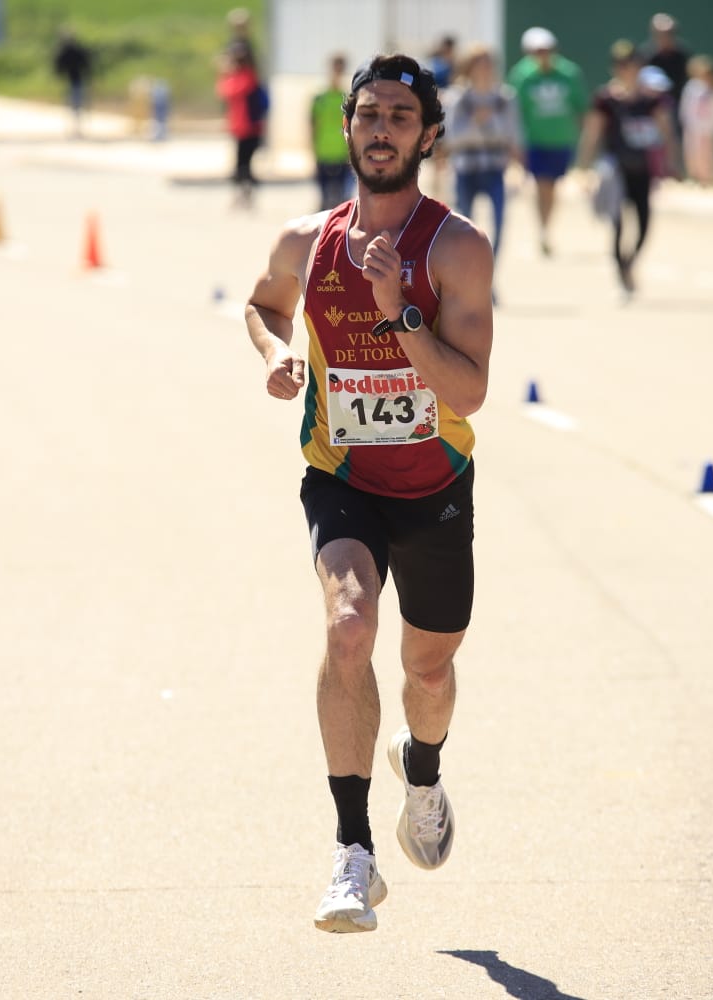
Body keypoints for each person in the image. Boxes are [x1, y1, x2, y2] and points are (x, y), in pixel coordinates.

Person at [241, 53, 493, 934]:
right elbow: (264, 305)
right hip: (341, 475)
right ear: (346, 127)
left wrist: (397, 312)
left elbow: (468, 392)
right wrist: (277, 354)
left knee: (429, 670)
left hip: (434, 485)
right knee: (349, 628)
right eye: (368, 114)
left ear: (428, 136)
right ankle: (353, 853)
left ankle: (421, 769)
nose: (380, 129)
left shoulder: (456, 247)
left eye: (399, 116)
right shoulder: (304, 241)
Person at [577, 42, 674, 298]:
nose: (627, 70)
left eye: (631, 65)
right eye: (622, 65)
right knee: (618, 224)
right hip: (616, 170)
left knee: (644, 222)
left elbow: (665, 131)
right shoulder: (606, 99)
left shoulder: (651, 99)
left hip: (643, 168)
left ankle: (631, 262)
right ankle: (621, 271)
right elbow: (593, 132)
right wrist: (584, 167)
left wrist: (670, 164)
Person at [507, 27, 588, 256]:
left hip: (561, 139)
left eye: (546, 50)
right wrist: (515, 145)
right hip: (534, 141)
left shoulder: (569, 74)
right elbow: (514, 113)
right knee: (541, 183)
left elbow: (581, 108)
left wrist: (584, 142)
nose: (542, 55)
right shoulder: (521, 76)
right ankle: (542, 229)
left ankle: (546, 226)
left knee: (552, 186)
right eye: (537, 51)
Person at [443, 44, 520, 254]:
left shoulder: (504, 97)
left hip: (495, 166)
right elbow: (451, 137)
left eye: (489, 64)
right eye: (480, 64)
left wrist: (518, 162)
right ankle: (468, 263)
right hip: (465, 167)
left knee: (499, 222)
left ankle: (491, 263)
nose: (486, 69)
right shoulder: (457, 98)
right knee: (464, 222)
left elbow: (512, 133)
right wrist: (474, 122)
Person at [216, 46, 265, 210]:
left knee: (243, 164)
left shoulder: (245, 78)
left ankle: (245, 194)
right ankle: (244, 194)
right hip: (242, 127)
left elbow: (226, 91)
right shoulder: (249, 76)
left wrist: (224, 73)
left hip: (248, 128)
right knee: (243, 163)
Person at [641, 13, 690, 176]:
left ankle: (678, 171)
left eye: (669, 33)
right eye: (660, 34)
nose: (665, 38)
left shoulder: (683, 54)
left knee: (677, 138)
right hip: (654, 107)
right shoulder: (647, 55)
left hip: (679, 105)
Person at [680, 56, 713, 186]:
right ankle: (696, 178)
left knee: (708, 155)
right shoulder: (692, 88)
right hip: (693, 128)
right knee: (692, 153)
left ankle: (710, 179)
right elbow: (686, 107)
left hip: (709, 130)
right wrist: (688, 123)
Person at [311, 53, 352, 211]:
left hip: (342, 153)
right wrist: (313, 151)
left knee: (343, 203)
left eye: (340, 69)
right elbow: (313, 126)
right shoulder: (320, 99)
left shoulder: (348, 98)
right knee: (324, 201)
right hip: (324, 152)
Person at [53, 29, 93, 138]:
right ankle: (75, 128)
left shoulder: (66, 51)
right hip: (74, 81)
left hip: (75, 81)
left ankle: (75, 128)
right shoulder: (73, 50)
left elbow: (59, 66)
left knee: (74, 104)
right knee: (75, 105)